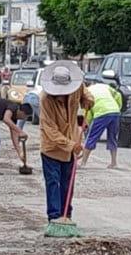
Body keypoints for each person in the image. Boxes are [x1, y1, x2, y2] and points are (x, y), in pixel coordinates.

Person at [39, 62, 94, 222]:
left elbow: (87, 95)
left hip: (71, 145)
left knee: (67, 183)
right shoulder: (45, 100)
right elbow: (50, 130)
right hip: (52, 148)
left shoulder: (77, 86)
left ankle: (66, 215)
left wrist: (89, 101)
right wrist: (72, 145)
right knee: (53, 182)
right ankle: (54, 216)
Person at [80, 83, 122, 169]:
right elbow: (118, 95)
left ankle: (83, 163)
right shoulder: (105, 86)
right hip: (115, 112)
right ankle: (114, 163)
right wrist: (118, 107)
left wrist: (86, 124)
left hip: (101, 113)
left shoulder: (87, 92)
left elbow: (88, 110)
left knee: (92, 137)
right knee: (112, 137)